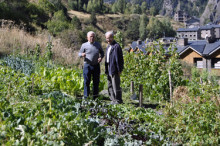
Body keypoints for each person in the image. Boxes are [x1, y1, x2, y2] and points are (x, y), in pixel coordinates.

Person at [79, 31, 104, 99]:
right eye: (90, 36)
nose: (92, 38)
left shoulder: (98, 44)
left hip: (96, 65)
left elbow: (102, 52)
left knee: (96, 82)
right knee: (87, 81)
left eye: (93, 36)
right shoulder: (84, 45)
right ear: (87, 38)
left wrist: (101, 57)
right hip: (87, 65)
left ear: (95, 37)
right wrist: (82, 54)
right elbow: (79, 54)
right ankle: (86, 97)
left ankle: (95, 98)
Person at [105, 31, 124, 104]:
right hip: (109, 67)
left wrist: (119, 69)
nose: (108, 40)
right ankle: (113, 99)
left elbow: (120, 59)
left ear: (113, 38)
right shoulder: (108, 46)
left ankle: (118, 100)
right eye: (107, 38)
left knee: (116, 85)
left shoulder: (116, 46)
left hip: (114, 68)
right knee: (110, 85)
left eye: (110, 38)